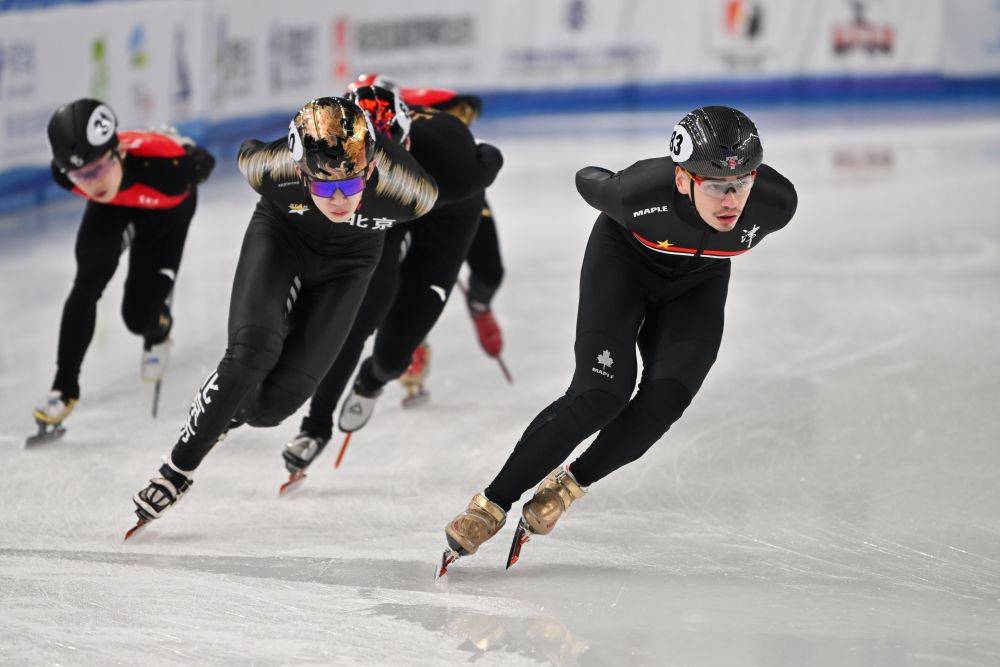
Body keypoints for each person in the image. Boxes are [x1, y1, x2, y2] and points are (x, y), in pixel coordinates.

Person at [440, 106, 798, 571]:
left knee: (666, 399)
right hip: (624, 265)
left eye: (742, 183)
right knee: (601, 393)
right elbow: (587, 178)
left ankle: (567, 487)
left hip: (698, 284)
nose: (732, 200)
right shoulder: (636, 193)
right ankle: (490, 506)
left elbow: (744, 198)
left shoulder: (775, 204)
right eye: (716, 186)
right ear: (683, 179)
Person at [128, 96, 438, 532]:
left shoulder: (409, 191)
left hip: (348, 268)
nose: (339, 199)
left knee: (271, 409)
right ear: (298, 171)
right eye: (324, 186)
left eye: (351, 185)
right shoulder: (267, 167)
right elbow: (243, 151)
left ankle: (227, 410)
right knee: (251, 352)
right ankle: (177, 469)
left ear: (370, 170)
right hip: (281, 241)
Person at [281, 78, 503, 480]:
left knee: (395, 352)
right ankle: (315, 426)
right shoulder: (341, 164)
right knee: (362, 312)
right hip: (384, 205)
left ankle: (372, 380)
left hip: (448, 211)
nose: (365, 167)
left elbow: (490, 157)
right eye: (358, 159)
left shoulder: (455, 165)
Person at [29, 98, 214, 444]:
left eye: (97, 169)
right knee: (86, 282)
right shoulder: (66, 175)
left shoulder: (173, 171)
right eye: (81, 176)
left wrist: (185, 150)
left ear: (120, 153)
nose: (92, 182)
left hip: (166, 214)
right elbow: (89, 177)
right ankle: (64, 387)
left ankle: (159, 330)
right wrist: (94, 177)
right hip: (112, 209)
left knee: (137, 317)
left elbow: (206, 162)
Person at [396, 88, 507, 389]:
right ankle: (411, 340)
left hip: (460, 193)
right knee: (404, 276)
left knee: (491, 272)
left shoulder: (454, 141)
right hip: (409, 197)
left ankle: (479, 306)